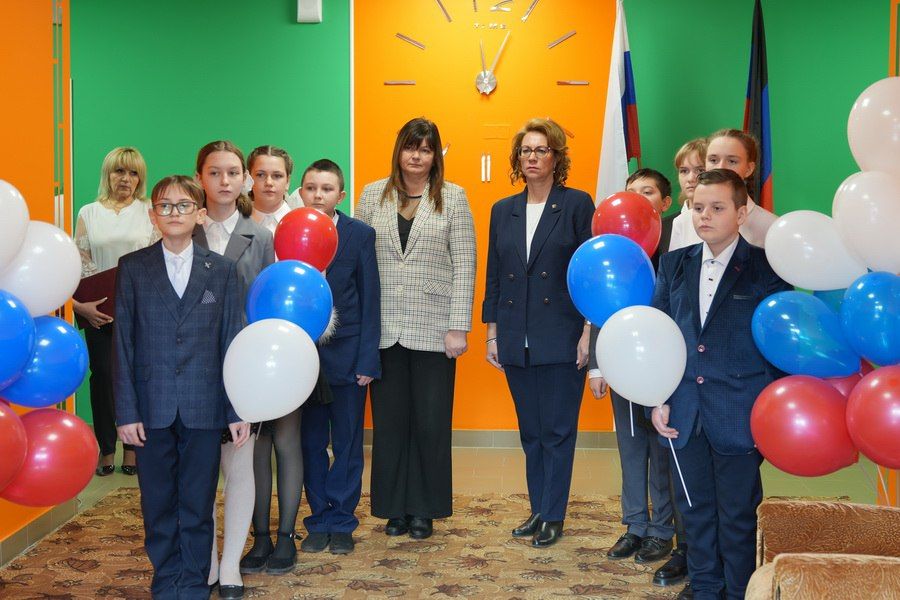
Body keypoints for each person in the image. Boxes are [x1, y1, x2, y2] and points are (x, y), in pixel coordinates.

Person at [650, 169, 792, 600]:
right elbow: (660, 337)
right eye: (698, 208)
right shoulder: (674, 264)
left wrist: (770, 410)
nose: (704, 216)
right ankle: (705, 586)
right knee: (694, 510)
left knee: (736, 516)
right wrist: (657, 398)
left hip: (740, 411)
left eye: (717, 208)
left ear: (742, 213)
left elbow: (780, 346)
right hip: (684, 409)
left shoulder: (766, 268)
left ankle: (737, 589)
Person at [114, 175, 250, 600]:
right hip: (150, 406)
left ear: (200, 214)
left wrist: (236, 409)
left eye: (183, 205)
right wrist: (126, 411)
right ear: (152, 215)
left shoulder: (222, 271)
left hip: (203, 405)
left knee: (197, 501)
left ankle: (192, 582)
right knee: (157, 502)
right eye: (165, 206)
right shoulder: (133, 268)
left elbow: (231, 342)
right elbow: (123, 344)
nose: (174, 213)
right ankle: (165, 577)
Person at [356, 117, 476, 540]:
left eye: (426, 149)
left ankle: (424, 509)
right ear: (399, 150)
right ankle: (393, 509)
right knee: (390, 423)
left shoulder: (454, 197)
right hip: (384, 327)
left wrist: (458, 326)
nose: (417, 156)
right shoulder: (372, 194)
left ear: (435, 155)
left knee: (430, 422)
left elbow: (465, 264)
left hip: (435, 328)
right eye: (411, 147)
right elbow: (359, 261)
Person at [482, 117, 594, 548]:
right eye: (525, 150)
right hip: (516, 336)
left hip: (562, 333)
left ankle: (554, 514)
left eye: (540, 150)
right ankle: (538, 508)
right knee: (531, 432)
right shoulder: (502, 209)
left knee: (558, 431)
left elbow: (587, 273)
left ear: (556, 157)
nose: (532, 157)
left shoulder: (577, 204)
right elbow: (495, 274)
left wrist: (588, 331)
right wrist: (492, 332)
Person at [193, 141, 276, 599]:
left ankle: (230, 566)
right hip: (192, 369)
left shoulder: (259, 237)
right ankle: (206, 561)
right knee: (200, 471)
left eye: (232, 172)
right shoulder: (184, 228)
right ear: (200, 177)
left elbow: (266, 305)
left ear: (244, 178)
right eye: (214, 172)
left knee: (240, 467)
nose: (224, 181)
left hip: (242, 366)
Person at [587, 169, 679, 570]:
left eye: (648, 192)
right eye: (631, 193)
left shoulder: (677, 247)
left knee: (661, 451)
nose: (638, 200)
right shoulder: (617, 250)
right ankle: (635, 525)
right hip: (622, 361)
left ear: (665, 203)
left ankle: (661, 529)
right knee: (630, 446)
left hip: (663, 365)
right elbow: (600, 305)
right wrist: (596, 365)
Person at [298, 159, 380, 555]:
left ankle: (343, 520)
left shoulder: (360, 235)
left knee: (347, 443)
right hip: (303, 359)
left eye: (326, 189)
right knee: (310, 442)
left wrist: (368, 360)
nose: (318, 195)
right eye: (311, 187)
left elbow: (370, 299)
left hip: (348, 357)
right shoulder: (290, 232)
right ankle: (318, 519)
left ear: (340, 195)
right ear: (301, 192)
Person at [74, 146, 155, 478]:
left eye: (133, 173)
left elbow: (158, 260)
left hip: (141, 312)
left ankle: (133, 449)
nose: (126, 178)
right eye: (119, 171)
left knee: (138, 379)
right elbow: (80, 262)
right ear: (107, 174)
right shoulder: (88, 212)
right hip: (100, 313)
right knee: (104, 379)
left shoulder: (150, 211)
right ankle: (106, 448)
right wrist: (84, 306)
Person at [670, 130, 776, 251]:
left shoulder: (771, 227)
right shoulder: (683, 222)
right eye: (713, 160)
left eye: (732, 161)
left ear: (749, 168)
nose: (721, 167)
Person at [668, 138, 707, 251]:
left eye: (700, 170)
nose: (690, 178)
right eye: (684, 171)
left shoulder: (727, 220)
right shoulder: (665, 227)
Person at [248, 144, 294, 232]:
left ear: (287, 182)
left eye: (277, 176)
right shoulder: (236, 222)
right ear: (249, 179)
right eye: (260, 175)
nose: (269, 182)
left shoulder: (300, 223)